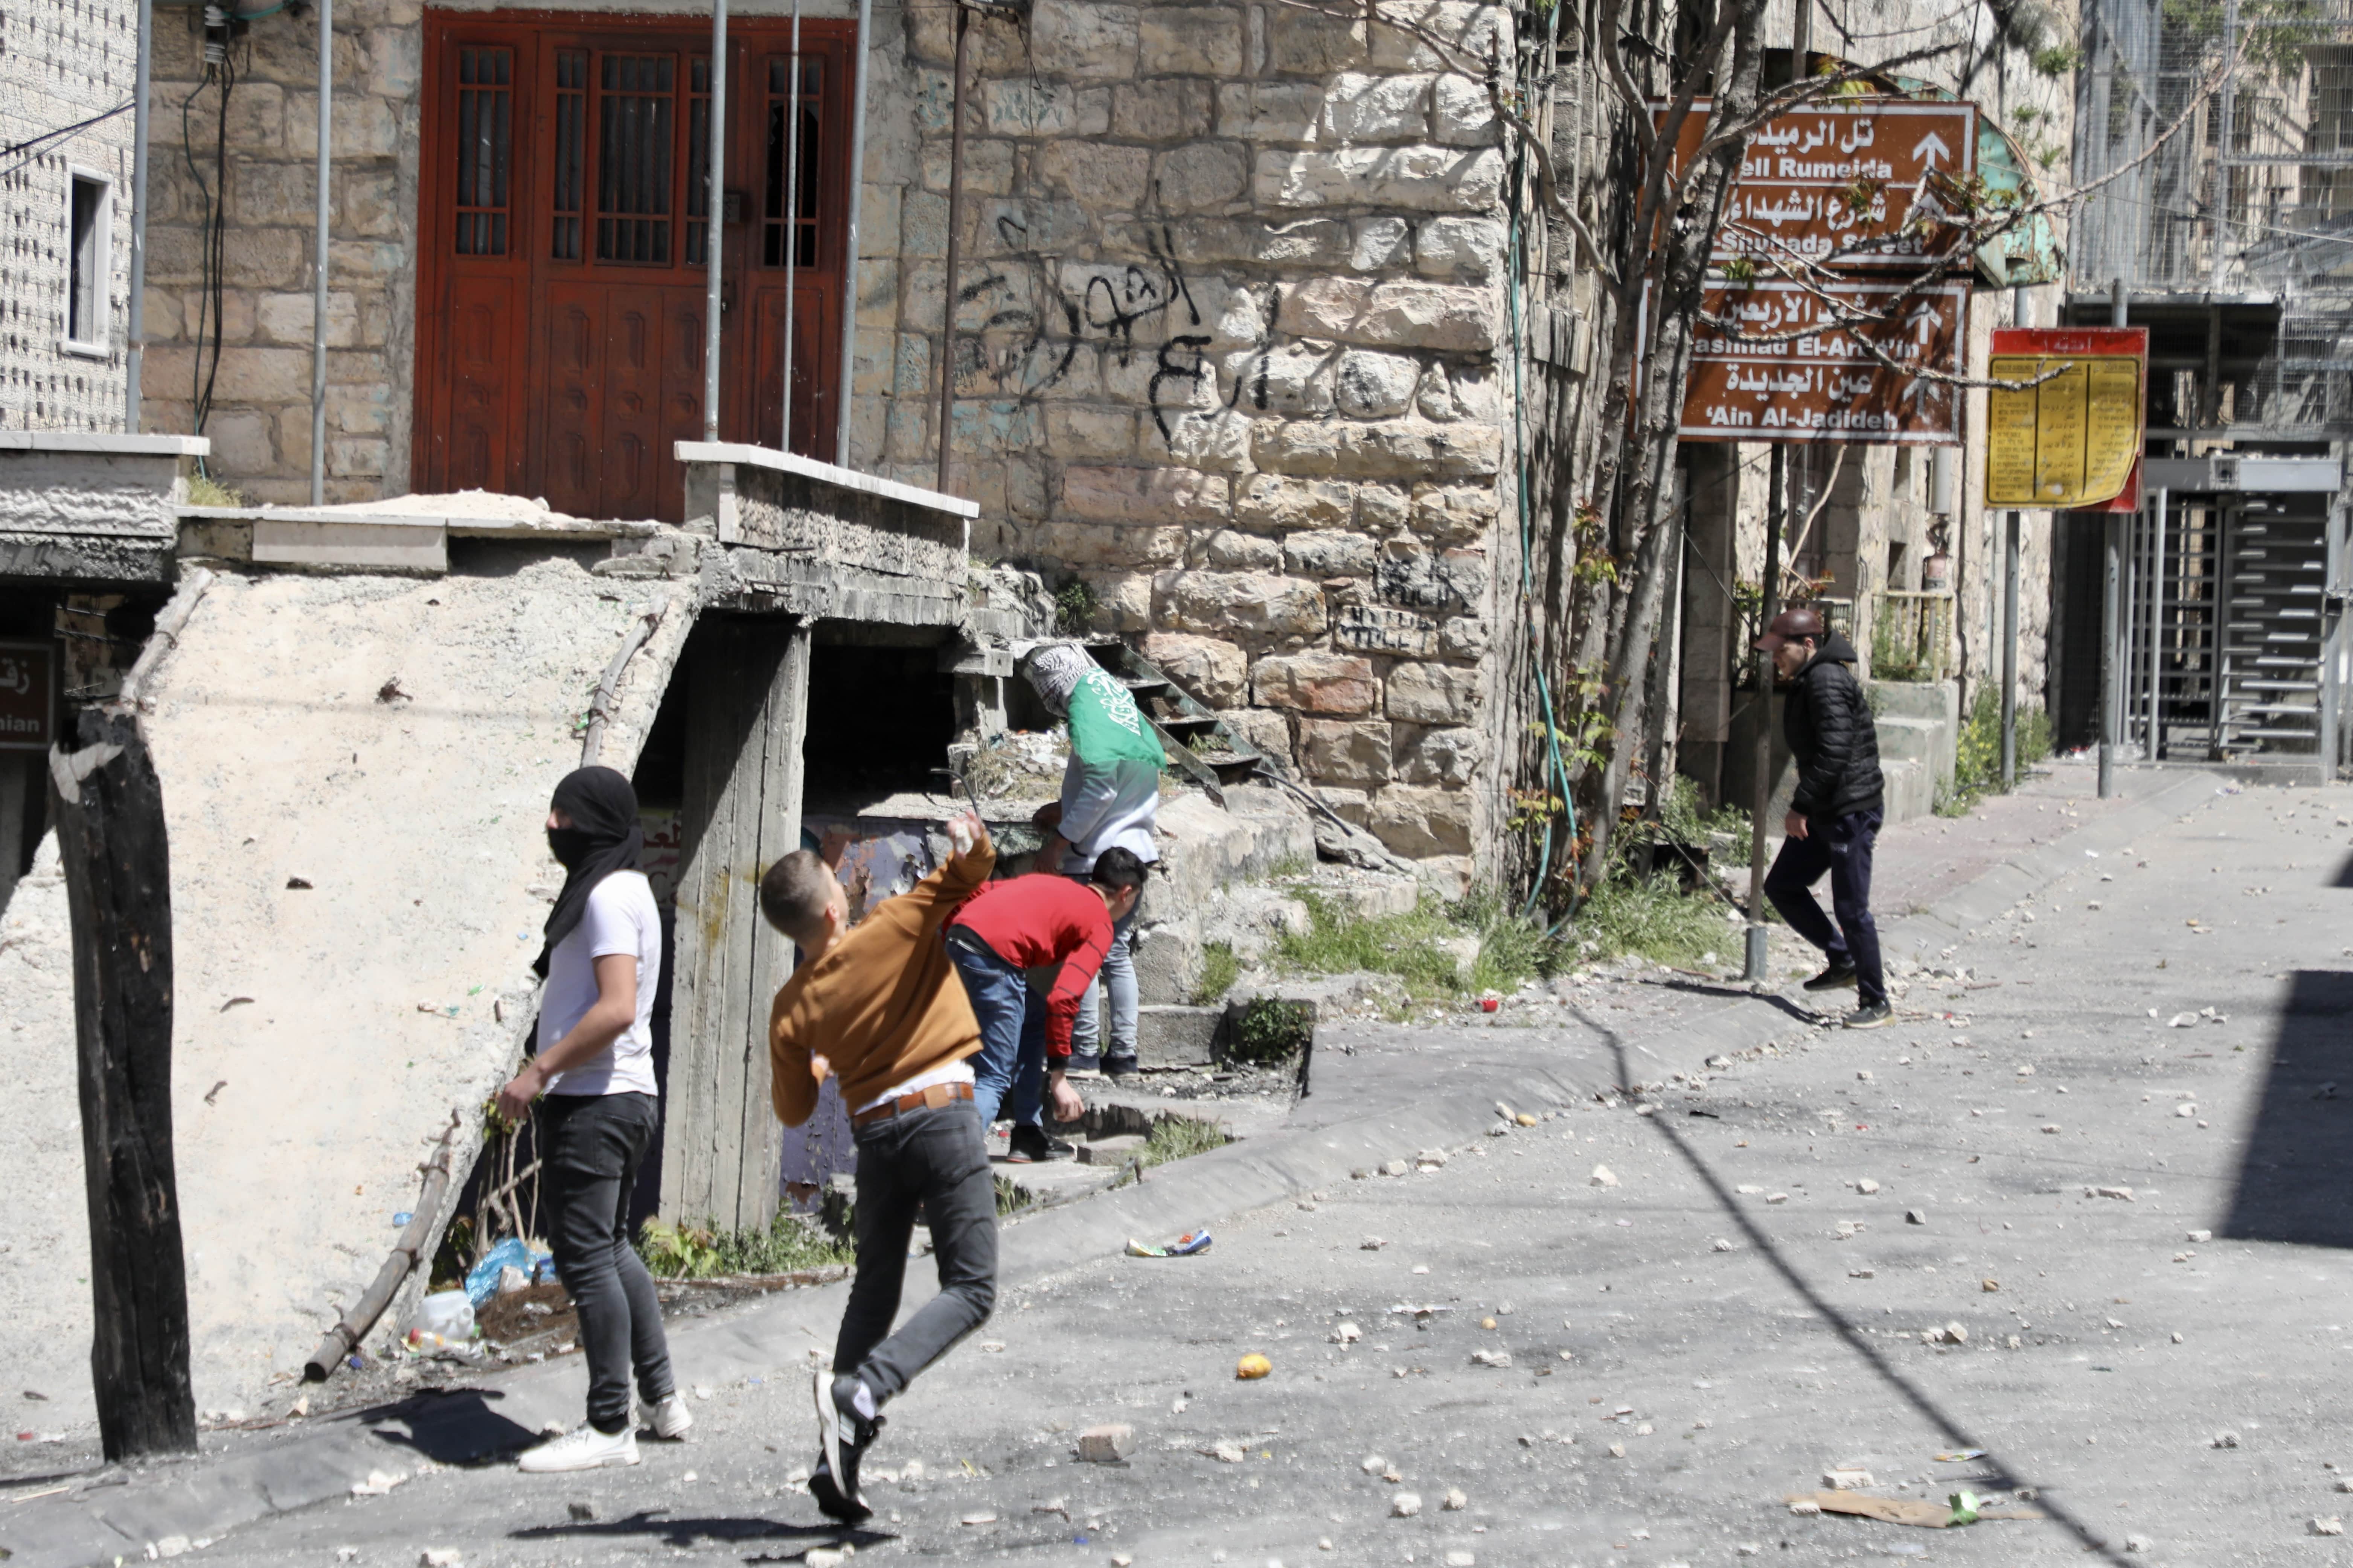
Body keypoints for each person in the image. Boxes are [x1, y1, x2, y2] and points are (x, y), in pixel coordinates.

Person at [760, 809, 998, 1524]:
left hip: (877, 1141)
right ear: (836, 903)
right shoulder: (893, 923)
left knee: (874, 1292)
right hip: (943, 1117)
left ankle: (838, 1468)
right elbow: (970, 873)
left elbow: (796, 1109)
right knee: (972, 1289)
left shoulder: (791, 1009)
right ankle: (862, 1393)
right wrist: (973, 837)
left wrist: (825, 1058)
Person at [498, 766, 692, 1472]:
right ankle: (662, 1399)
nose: (554, 828)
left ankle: (609, 1424)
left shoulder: (609, 896)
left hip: (595, 1099)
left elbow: (613, 1008)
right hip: (625, 1095)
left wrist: (538, 1071)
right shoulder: (631, 887)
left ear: (599, 825)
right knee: (612, 1248)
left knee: (585, 1256)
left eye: (567, 817)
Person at [943, 847, 1148, 1161]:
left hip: (960, 938)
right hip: (995, 958)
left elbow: (979, 892)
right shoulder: (1100, 923)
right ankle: (940, 1171)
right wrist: (1059, 1077)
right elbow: (1064, 998)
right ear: (1127, 893)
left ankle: (1028, 1134)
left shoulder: (1054, 885)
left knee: (1033, 1017)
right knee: (995, 1077)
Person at [1020, 643, 1163, 1078]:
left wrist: (1057, 843)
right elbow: (1117, 789)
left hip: (1095, 862)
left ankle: (1082, 1052)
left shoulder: (1089, 715)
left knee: (1082, 954)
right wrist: (1062, 807)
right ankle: (1123, 1055)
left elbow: (1101, 790)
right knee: (1115, 955)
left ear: (1055, 689)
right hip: (1135, 852)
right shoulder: (1117, 707)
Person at [1754, 606, 1892, 1029]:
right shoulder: (1810, 679)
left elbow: (1834, 751)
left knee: (1852, 908)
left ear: (1808, 645)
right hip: (1828, 807)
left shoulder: (1826, 680)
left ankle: (1877, 1001)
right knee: (1782, 886)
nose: (1775, 658)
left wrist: (1799, 806)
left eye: (1782, 650)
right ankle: (1842, 957)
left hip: (1849, 810)